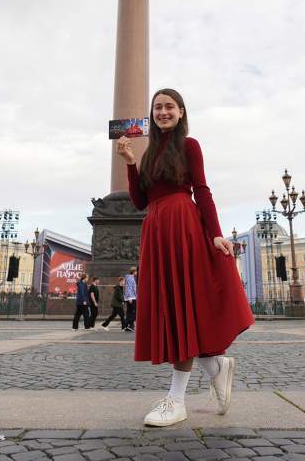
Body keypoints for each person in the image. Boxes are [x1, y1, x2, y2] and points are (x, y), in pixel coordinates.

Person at [119, 87, 254, 427]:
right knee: (175, 308)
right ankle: (215, 367)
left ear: (180, 112)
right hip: (157, 229)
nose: (162, 112)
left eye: (169, 107)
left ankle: (176, 400)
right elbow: (139, 200)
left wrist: (216, 234)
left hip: (183, 227)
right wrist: (131, 164)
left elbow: (202, 190)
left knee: (183, 307)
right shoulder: (148, 153)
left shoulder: (189, 146)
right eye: (157, 107)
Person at [124, 267, 137, 332]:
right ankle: (130, 325)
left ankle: (128, 326)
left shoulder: (130, 278)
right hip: (131, 297)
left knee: (129, 312)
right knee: (134, 312)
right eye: (136, 271)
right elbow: (129, 288)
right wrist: (129, 297)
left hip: (131, 297)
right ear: (134, 272)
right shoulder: (130, 278)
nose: (137, 273)